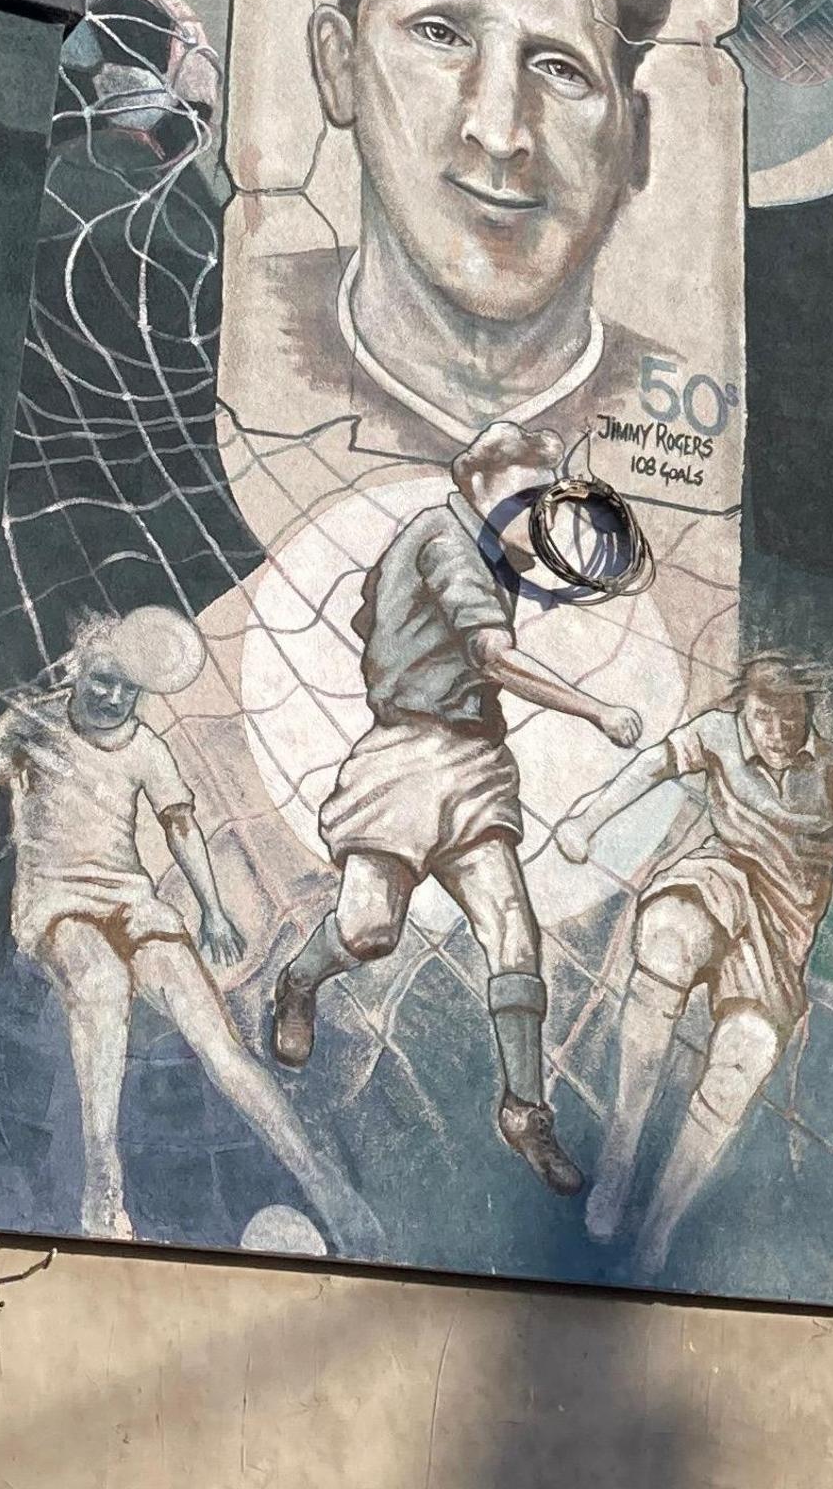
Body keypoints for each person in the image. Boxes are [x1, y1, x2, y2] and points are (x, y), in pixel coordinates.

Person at [265, 421, 649, 1195]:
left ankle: (524, 1111)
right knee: (369, 933)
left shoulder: (488, 556)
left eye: (547, 492)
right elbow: (491, 656)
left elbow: (369, 617)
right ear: (478, 481)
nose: (541, 510)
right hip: (407, 755)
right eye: (526, 492)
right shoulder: (445, 535)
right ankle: (299, 981)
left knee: (514, 932)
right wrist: (595, 711)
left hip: (472, 761)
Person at [248, 0, 686, 457]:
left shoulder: (672, 405)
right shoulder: (224, 328)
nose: (500, 132)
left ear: (635, 144)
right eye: (441, 35)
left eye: (562, 69)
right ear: (340, 67)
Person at [0, 607, 383, 1257]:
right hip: (58, 904)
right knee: (100, 985)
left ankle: (326, 1186)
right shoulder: (34, 723)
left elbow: (178, 826)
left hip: (133, 902)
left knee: (221, 1045)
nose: (113, 697)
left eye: (127, 687)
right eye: (103, 680)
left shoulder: (145, 747)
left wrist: (211, 910)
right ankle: (103, 1182)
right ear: (78, 669)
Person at [551, 655, 833, 1272]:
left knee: (742, 1058)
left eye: (791, 717)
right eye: (765, 716)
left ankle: (660, 1221)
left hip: (781, 925)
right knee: (665, 936)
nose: (778, 730)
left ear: (808, 715)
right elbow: (652, 765)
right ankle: (618, 1157)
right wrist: (588, 815)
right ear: (746, 711)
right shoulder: (718, 733)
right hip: (721, 876)